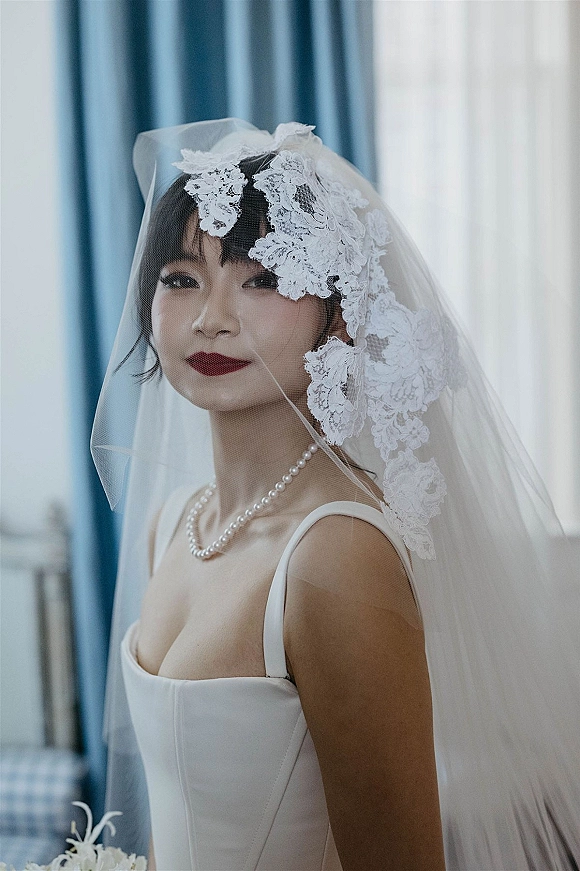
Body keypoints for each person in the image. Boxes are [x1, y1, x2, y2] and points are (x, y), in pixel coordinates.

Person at [92, 120, 580, 871]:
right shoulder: (174, 525)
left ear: (343, 311)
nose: (210, 317)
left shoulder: (337, 554)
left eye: (263, 279)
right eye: (181, 278)